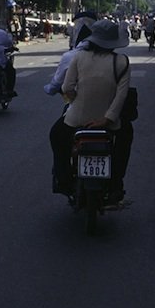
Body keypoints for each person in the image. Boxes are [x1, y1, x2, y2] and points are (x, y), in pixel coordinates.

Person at [49, 19, 132, 202]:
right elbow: (121, 96)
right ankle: (116, 182)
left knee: (56, 135)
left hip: (77, 119)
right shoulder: (122, 62)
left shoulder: (78, 57)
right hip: (110, 123)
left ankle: (64, 180)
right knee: (126, 137)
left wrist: (74, 100)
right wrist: (107, 119)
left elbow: (67, 87)